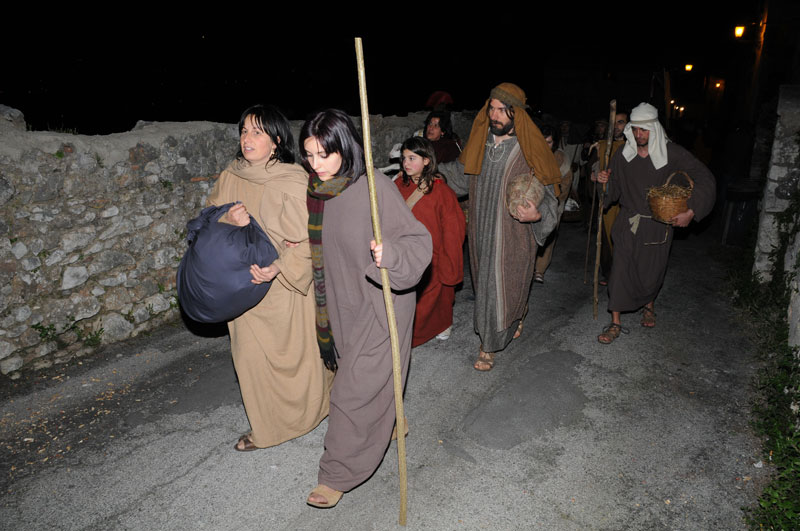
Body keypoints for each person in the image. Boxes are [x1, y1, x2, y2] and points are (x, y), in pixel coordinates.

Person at [300, 109, 432, 508]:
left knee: (350, 391)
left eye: (324, 154)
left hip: (381, 305)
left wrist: (388, 252)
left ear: (346, 147)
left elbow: (419, 242)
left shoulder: (375, 188)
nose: (315, 164)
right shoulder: (322, 191)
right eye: (308, 154)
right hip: (344, 304)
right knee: (365, 380)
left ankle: (336, 473)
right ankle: (394, 419)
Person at [206, 104, 334, 451]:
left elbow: (315, 235)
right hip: (242, 286)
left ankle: (312, 411)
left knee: (295, 358)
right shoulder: (230, 176)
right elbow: (206, 223)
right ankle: (268, 426)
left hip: (284, 287)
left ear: (276, 140)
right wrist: (227, 221)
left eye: (257, 132)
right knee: (249, 358)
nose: (247, 138)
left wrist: (279, 266)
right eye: (244, 131)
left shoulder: (293, 180)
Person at [438, 82, 561, 371]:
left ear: (516, 114)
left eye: (502, 111)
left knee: (506, 284)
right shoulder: (480, 144)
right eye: (491, 109)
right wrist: (429, 169)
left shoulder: (530, 149)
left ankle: (488, 346)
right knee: (486, 284)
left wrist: (537, 216)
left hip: (514, 233)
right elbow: (458, 175)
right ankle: (511, 318)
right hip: (482, 229)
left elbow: (550, 196)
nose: (495, 116)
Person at [594, 102, 716, 343]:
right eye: (636, 129)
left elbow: (705, 177)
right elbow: (612, 192)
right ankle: (615, 322)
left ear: (655, 129)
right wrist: (602, 182)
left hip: (658, 224)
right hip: (628, 221)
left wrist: (691, 211)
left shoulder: (673, 153)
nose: (639, 135)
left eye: (645, 130)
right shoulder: (622, 154)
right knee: (619, 269)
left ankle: (648, 305)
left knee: (650, 271)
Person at [396, 136, 466, 345]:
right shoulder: (399, 184)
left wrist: (449, 260)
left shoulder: (442, 192)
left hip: (432, 256)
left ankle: (442, 324)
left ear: (427, 160)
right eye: (403, 158)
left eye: (412, 158)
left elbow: (453, 229)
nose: (406, 163)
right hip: (404, 253)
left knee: (435, 299)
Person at [589, 111, 628, 284]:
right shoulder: (601, 145)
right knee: (605, 237)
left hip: (627, 200)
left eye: (621, 122)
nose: (616, 126)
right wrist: (595, 173)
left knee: (625, 239)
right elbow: (592, 170)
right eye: (614, 122)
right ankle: (608, 273)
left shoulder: (633, 147)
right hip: (607, 199)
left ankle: (624, 274)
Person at [533, 125, 574, 283]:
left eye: (549, 142)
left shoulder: (561, 158)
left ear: (555, 143)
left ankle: (540, 269)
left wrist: (553, 198)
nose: (544, 146)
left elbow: (566, 182)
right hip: (532, 203)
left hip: (554, 203)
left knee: (548, 236)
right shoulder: (531, 155)